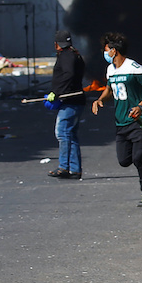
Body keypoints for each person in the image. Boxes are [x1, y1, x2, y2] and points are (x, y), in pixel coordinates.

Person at [92, 32, 142, 207]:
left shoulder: (133, 68)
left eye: (106, 50)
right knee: (124, 161)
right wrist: (100, 99)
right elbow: (109, 89)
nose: (105, 53)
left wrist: (141, 106)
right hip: (120, 122)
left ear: (113, 51)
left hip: (138, 121)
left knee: (138, 158)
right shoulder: (110, 70)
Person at [47, 30, 86, 179]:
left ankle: (64, 166)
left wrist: (57, 92)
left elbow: (69, 74)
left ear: (57, 44)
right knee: (71, 134)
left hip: (70, 101)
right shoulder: (75, 55)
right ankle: (75, 169)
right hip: (76, 99)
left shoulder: (66, 56)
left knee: (62, 132)